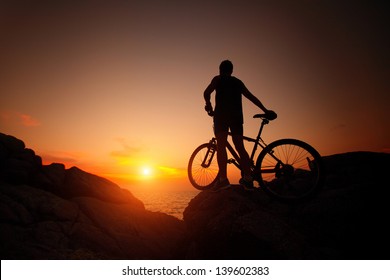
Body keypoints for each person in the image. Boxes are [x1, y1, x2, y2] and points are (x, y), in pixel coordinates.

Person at [203, 60, 276, 190]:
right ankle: (248, 179)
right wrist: (265, 110)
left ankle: (223, 180)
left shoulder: (218, 79)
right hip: (236, 117)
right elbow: (250, 96)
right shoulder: (237, 82)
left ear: (220, 69)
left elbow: (206, 92)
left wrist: (208, 106)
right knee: (240, 146)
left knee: (221, 146)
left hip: (221, 117)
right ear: (231, 71)